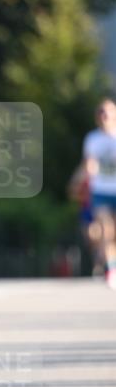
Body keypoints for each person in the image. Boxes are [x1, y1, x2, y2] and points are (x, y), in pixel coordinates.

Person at [82, 98, 116, 288]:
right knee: (106, 229)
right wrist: (90, 170)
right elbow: (89, 161)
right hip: (101, 190)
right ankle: (111, 269)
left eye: (108, 111)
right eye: (102, 112)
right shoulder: (92, 138)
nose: (105, 115)